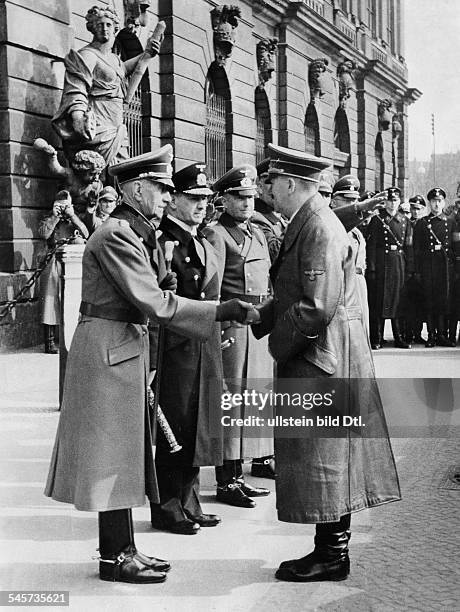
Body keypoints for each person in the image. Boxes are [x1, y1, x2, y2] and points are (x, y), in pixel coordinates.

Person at [44, 145, 255, 584]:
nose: (165, 195)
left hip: (119, 345)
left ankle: (123, 549)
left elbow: (150, 292)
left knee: (119, 452)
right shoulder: (119, 232)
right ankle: (115, 557)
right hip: (110, 347)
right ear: (137, 188)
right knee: (111, 454)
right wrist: (221, 310)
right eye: (160, 188)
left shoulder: (132, 230)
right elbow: (154, 303)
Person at [252, 143, 401, 582]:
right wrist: (257, 315)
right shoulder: (313, 220)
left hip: (321, 359)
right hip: (328, 354)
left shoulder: (316, 226)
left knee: (327, 455)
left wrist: (277, 343)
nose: (268, 189)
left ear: (293, 183)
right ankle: (329, 549)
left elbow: (315, 306)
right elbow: (294, 293)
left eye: (273, 182)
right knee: (328, 454)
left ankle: (332, 555)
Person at [150, 163, 224, 535]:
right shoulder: (163, 240)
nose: (200, 206)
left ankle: (189, 499)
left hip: (199, 342)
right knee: (173, 425)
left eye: (204, 199)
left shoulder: (199, 241)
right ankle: (167, 506)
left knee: (196, 422)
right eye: (192, 199)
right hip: (174, 344)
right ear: (174, 199)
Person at [204, 165, 274, 507]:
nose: (246, 204)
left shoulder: (257, 232)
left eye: (249, 197)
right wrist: (216, 329)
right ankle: (226, 480)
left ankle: (240, 475)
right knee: (231, 402)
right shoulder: (217, 234)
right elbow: (212, 288)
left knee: (252, 402)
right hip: (233, 326)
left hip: (258, 325)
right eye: (238, 197)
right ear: (224, 199)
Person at [52, 5, 163, 166]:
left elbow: (122, 69)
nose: (104, 28)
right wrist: (77, 116)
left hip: (116, 122)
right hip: (100, 122)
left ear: (115, 28)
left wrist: (147, 53)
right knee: (98, 170)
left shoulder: (114, 59)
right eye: (99, 24)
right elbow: (76, 88)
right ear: (92, 28)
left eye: (108, 25)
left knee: (119, 170)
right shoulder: (88, 55)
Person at [38, 191, 90, 354]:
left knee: (72, 298)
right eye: (60, 205)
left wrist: (72, 215)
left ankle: (69, 337)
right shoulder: (49, 218)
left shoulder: (75, 220)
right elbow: (44, 233)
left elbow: (86, 233)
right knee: (50, 299)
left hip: (72, 261)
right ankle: (49, 341)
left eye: (65, 205)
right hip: (53, 259)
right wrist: (55, 216)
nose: (63, 208)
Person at [365, 187, 411, 349]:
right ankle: (377, 338)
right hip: (381, 264)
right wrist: (371, 267)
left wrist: (410, 269)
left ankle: (399, 337)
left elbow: (408, 247)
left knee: (398, 301)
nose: (392, 204)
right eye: (390, 200)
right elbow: (371, 246)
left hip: (398, 264)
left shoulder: (404, 221)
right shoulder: (377, 220)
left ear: (399, 202)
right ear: (385, 202)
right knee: (379, 301)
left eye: (396, 200)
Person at [413, 188, 456, 347]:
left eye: (439, 201)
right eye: (433, 201)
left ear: (444, 202)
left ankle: (442, 335)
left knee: (444, 301)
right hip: (428, 267)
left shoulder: (450, 222)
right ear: (429, 203)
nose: (436, 204)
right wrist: (417, 270)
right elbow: (416, 249)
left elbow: (454, 247)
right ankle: (431, 335)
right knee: (430, 301)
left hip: (445, 268)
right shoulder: (422, 223)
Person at [330, 175, 369, 337]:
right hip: (341, 287)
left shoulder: (357, 232)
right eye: (346, 200)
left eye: (354, 201)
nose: (352, 205)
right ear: (333, 202)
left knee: (361, 333)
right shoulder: (330, 227)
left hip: (358, 285)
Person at [401, 195, 427, 344]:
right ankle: (407, 333)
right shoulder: (406, 224)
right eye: (413, 208)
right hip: (406, 268)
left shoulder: (424, 224)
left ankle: (417, 333)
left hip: (421, 269)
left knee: (419, 303)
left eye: (418, 209)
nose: (415, 212)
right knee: (407, 303)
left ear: (422, 210)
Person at [251, 158, 287, 262]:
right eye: (269, 182)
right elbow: (275, 253)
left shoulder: (281, 214)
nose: (275, 188)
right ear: (259, 187)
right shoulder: (256, 217)